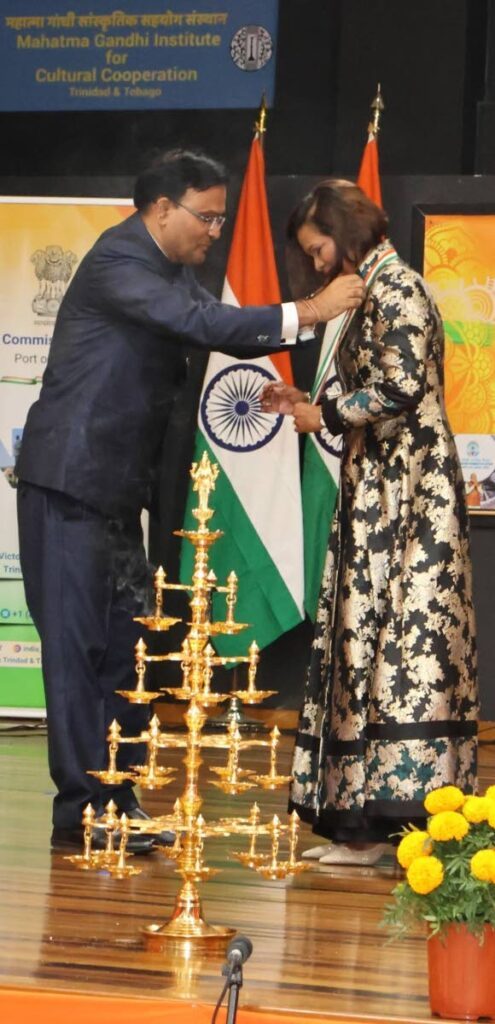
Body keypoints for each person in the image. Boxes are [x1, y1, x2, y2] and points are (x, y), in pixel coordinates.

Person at [16, 151, 365, 853]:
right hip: (69, 485)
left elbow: (210, 322)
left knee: (127, 656)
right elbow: (205, 325)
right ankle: (82, 811)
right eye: (205, 217)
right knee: (77, 654)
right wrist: (310, 311)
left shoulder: (168, 272)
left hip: (117, 494)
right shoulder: (119, 262)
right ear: (159, 210)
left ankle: (116, 798)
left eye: (221, 218)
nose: (214, 231)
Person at [261, 179, 479, 866]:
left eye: (318, 245)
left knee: (403, 649)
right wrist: (308, 400)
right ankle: (364, 821)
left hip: (411, 492)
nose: (318, 261)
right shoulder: (369, 290)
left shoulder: (397, 287)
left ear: (345, 230)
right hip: (379, 485)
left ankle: (399, 823)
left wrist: (321, 415)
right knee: (365, 639)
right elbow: (376, 383)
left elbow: (401, 383)